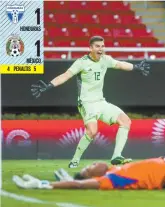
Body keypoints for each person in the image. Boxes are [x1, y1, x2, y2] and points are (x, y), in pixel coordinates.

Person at [31, 36, 151, 168]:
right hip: (86, 103)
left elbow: (121, 64)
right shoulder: (81, 62)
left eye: (102, 46)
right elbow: (66, 75)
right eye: (98, 46)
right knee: (92, 131)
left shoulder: (105, 60)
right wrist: (49, 85)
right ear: (91, 48)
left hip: (101, 101)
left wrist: (136, 67)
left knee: (125, 121)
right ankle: (75, 159)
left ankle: (116, 156)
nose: (101, 49)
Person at [12, 158, 165, 191]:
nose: (95, 163)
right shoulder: (112, 178)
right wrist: (46, 185)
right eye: (90, 167)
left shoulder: (118, 168)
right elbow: (83, 185)